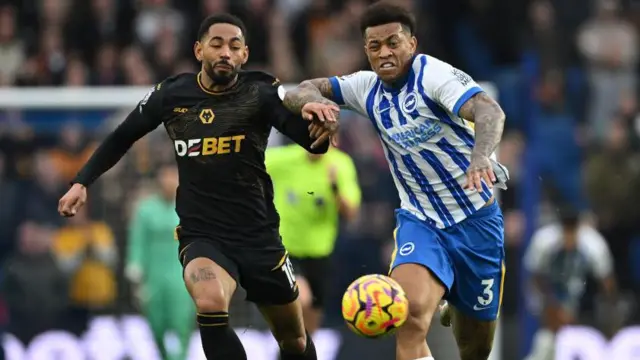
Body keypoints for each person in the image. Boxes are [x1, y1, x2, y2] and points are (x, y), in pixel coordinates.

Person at [58, 13, 332, 360]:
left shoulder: (260, 91)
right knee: (209, 300)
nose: (225, 53)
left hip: (258, 234)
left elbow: (309, 141)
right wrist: (82, 181)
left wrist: (322, 129)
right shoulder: (173, 95)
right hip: (202, 232)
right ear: (198, 49)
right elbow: (122, 136)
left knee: (293, 340)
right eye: (216, 44)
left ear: (245, 54)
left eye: (234, 46)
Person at [282, 2, 509, 360]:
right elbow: (300, 89)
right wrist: (315, 104)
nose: (385, 52)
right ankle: (439, 291)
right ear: (366, 51)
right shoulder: (364, 87)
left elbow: (488, 109)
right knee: (410, 316)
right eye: (374, 46)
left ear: (412, 44)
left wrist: (480, 155)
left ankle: (455, 294)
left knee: (476, 348)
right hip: (421, 222)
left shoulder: (432, 75)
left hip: (476, 222)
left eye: (393, 42)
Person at [265, 144, 362, 334]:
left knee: (312, 324)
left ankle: (291, 352)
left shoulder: (340, 164)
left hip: (320, 252)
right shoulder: (285, 158)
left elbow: (351, 213)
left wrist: (334, 187)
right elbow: (249, 162)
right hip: (286, 249)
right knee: (302, 299)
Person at [523, 207, 617, 360]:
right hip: (553, 303)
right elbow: (535, 278)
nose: (569, 235)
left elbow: (607, 283)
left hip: (586, 311)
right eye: (565, 229)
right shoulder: (545, 241)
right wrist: (553, 308)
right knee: (545, 346)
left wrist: (608, 315)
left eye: (572, 229)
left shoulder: (593, 244)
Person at [126, 163, 194, 360]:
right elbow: (137, 241)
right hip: (153, 278)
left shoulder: (189, 209)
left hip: (181, 279)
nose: (169, 181)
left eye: (173, 176)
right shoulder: (146, 210)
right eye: (165, 176)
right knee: (156, 326)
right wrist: (135, 272)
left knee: (181, 324)